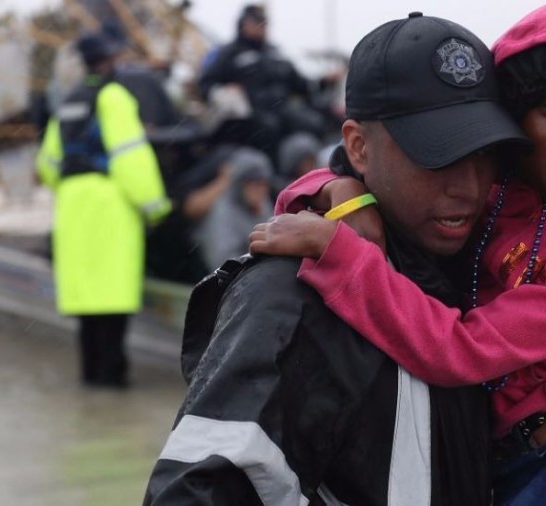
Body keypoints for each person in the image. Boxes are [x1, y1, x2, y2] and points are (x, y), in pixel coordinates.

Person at [144, 12, 546, 505]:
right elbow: (199, 487)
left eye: (484, 154)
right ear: (359, 148)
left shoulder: (464, 239)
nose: (468, 188)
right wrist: (338, 204)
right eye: (437, 156)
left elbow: (494, 340)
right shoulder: (291, 296)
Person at [36, 33, 172, 388]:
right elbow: (131, 159)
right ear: (111, 62)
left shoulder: (68, 101)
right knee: (113, 315)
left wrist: (73, 190)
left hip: (71, 209)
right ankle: (112, 398)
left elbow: (48, 165)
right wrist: (156, 208)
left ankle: (90, 392)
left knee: (87, 319)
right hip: (109, 212)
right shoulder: (114, 97)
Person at [197, 3, 340, 158]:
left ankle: (318, 167)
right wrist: (224, 90)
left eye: (263, 21)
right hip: (250, 115)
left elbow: (301, 84)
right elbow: (205, 84)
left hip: (281, 109)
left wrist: (324, 81)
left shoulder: (275, 53)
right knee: (268, 128)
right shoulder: (229, 53)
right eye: (255, 21)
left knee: (313, 122)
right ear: (244, 23)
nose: (261, 26)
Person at [193, 147, 275, 269]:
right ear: (240, 184)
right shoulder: (223, 210)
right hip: (225, 279)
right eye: (254, 183)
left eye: (263, 184)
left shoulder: (264, 204)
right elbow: (222, 262)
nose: (260, 190)